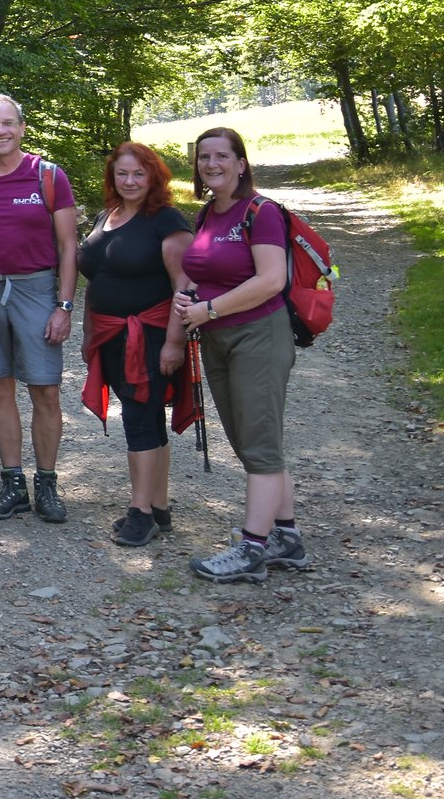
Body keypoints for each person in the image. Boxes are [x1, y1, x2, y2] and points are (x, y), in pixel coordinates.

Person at [173, 128, 308, 583]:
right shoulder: (208, 212)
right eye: (203, 157)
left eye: (221, 156)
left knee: (259, 443)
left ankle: (252, 549)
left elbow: (270, 280)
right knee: (251, 440)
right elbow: (205, 270)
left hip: (258, 336)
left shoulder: (260, 211)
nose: (211, 164)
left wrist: (209, 308)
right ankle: (287, 538)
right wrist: (190, 297)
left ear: (241, 163)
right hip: (216, 338)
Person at [0, 94, 80, 523]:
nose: (1, 131)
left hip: (35, 290)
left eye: (8, 123)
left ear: (22, 127)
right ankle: (13, 483)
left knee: (45, 389)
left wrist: (63, 306)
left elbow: (68, 245)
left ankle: (47, 483)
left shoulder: (47, 175)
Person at [78, 142, 195, 547]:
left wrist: (174, 343)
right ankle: (158, 508)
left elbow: (185, 287)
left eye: (138, 174)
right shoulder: (106, 216)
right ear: (112, 177)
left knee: (139, 421)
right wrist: (89, 335)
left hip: (150, 336)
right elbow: (95, 279)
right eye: (122, 173)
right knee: (147, 420)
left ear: (154, 177)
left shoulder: (167, 221)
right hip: (111, 336)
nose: (129, 181)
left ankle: (140, 512)